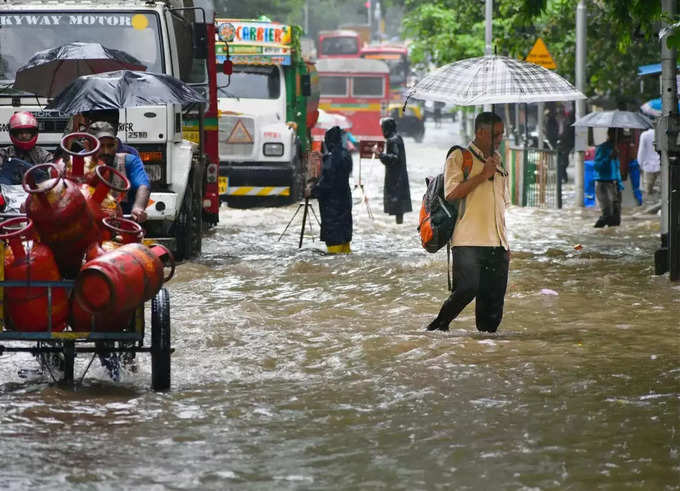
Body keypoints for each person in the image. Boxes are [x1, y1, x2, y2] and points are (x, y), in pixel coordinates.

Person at [426, 112, 510, 333]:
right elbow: (452, 193)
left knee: (492, 308)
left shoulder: (498, 161)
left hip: (498, 244)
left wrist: (506, 244)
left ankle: (486, 349)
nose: (500, 138)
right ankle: (438, 326)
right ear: (481, 133)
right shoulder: (459, 157)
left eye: (502, 133)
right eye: (496, 134)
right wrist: (483, 175)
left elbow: (501, 206)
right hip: (468, 241)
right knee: (466, 289)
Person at [86, 121, 150, 222]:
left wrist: (138, 208)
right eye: (100, 146)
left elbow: (143, 186)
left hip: (124, 222)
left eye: (110, 146)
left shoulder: (129, 161)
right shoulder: (79, 164)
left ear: (116, 144)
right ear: (87, 146)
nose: (106, 151)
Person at [310, 126, 353, 254]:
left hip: (332, 208)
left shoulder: (331, 159)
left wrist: (312, 190)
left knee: (334, 252)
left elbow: (327, 183)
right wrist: (324, 157)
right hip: (344, 204)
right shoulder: (346, 154)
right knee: (344, 247)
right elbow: (338, 168)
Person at [377, 117, 412, 224]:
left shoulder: (393, 140)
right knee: (398, 208)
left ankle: (398, 225)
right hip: (398, 177)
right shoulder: (397, 138)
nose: (382, 131)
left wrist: (380, 154)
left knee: (397, 206)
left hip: (395, 178)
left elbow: (394, 158)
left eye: (383, 128)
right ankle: (399, 225)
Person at [593, 127, 622, 228]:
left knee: (616, 218)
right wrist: (608, 157)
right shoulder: (602, 148)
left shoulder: (616, 149)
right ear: (610, 134)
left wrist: (619, 184)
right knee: (607, 214)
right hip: (603, 184)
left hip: (614, 184)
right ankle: (596, 232)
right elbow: (597, 167)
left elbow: (616, 169)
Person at [636, 127, 660, 202]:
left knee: (647, 189)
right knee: (659, 188)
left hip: (648, 167)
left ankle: (649, 205)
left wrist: (640, 163)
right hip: (660, 165)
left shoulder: (645, 135)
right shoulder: (660, 133)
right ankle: (658, 206)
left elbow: (641, 151)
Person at [556, 110, 575, 184]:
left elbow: (567, 135)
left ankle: (563, 177)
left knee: (563, 163)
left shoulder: (568, 124)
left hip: (565, 146)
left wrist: (561, 138)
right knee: (562, 163)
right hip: (563, 145)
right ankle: (563, 177)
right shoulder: (564, 123)